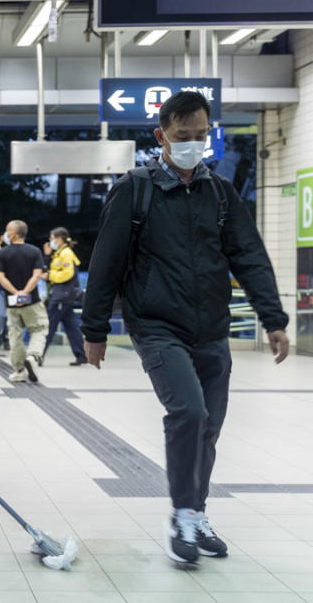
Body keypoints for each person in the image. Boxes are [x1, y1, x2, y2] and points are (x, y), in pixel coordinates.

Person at [81, 91, 289, 566]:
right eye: (183, 137)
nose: (194, 144)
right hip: (157, 326)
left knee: (209, 429)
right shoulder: (135, 188)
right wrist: (94, 330)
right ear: (162, 137)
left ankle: (195, 513)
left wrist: (272, 318)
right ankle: (181, 515)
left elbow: (249, 256)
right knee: (189, 414)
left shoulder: (220, 193)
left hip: (211, 329)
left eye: (201, 136)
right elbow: (107, 261)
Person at [0, 220, 47, 383]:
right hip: (32, 301)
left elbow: (0, 276)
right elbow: (37, 274)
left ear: (13, 234)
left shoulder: (2, 253)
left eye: (7, 231)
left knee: (15, 335)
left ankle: (18, 370)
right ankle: (33, 356)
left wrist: (15, 292)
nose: (5, 234)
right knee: (39, 329)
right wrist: (25, 292)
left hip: (11, 303)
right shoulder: (34, 251)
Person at [42, 227, 87, 366]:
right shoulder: (59, 253)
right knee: (71, 326)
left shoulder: (66, 253)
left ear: (59, 239)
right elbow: (53, 269)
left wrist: (51, 276)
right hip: (62, 295)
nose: (51, 241)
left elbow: (68, 274)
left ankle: (37, 354)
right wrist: (48, 256)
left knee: (48, 326)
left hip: (62, 296)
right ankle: (81, 355)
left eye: (52, 238)